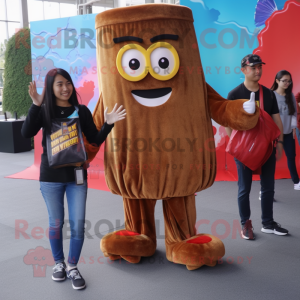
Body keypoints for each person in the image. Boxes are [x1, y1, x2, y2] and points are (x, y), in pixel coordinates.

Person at [21, 68, 126, 290]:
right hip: (50, 177)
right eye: (59, 84)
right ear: (51, 87)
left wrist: (108, 124)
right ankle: (58, 263)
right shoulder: (44, 111)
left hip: (77, 176)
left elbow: (95, 140)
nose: (65, 88)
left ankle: (72, 266)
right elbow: (26, 132)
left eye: (67, 83)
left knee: (78, 225)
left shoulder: (81, 111)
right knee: (56, 222)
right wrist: (36, 104)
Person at [225, 54, 288, 240]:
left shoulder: (269, 94)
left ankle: (268, 222)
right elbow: (227, 122)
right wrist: (235, 145)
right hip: (243, 150)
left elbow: (276, 119)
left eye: (259, 67)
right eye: (253, 67)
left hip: (267, 147)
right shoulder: (234, 94)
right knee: (244, 188)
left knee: (268, 186)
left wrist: (281, 143)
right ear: (243, 70)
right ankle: (246, 224)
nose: (257, 70)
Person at [270, 70, 300, 190]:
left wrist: (293, 128)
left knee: (291, 156)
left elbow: (294, 114)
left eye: (289, 81)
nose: (287, 83)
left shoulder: (290, 95)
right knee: (270, 161)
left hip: (287, 133)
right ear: (277, 81)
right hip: (273, 134)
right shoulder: (271, 95)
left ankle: (296, 182)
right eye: (284, 81)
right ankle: (266, 188)